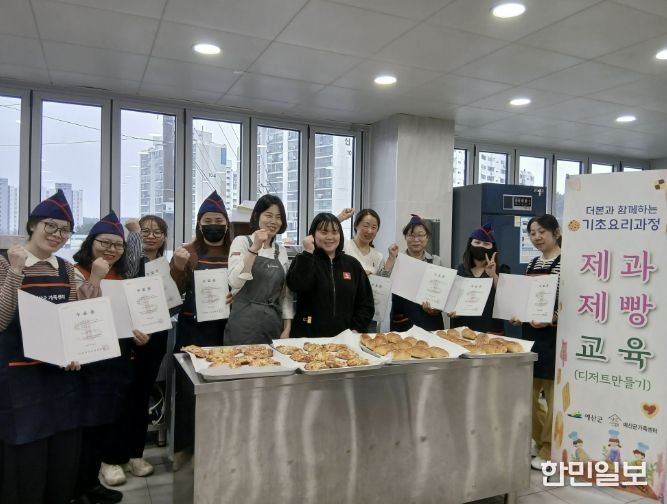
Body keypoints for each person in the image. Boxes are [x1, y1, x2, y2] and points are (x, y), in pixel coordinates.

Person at [0, 190, 82, 504]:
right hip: (20, 378)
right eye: (51, 226)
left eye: (65, 230)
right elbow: (1, 320)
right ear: (33, 225)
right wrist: (16, 269)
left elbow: (71, 319)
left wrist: (75, 351)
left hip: (60, 378)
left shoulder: (66, 269)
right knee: (25, 463)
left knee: (61, 459)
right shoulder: (5, 261)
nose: (57, 235)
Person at [73, 210, 147, 503]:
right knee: (87, 426)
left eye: (118, 245)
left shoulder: (122, 275)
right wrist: (96, 276)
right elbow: (78, 314)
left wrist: (137, 331)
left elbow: (127, 315)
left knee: (106, 421)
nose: (112, 249)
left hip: (118, 357)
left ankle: (91, 482)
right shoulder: (75, 271)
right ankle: (79, 488)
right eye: (105, 243)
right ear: (90, 242)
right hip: (88, 361)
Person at [511, 214, 561, 470]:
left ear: (556, 232)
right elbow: (527, 298)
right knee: (528, 394)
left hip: (553, 338)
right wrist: (519, 314)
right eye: (532, 233)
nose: (537, 237)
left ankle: (549, 448)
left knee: (552, 399)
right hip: (531, 337)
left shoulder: (566, 263)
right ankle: (538, 439)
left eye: (542, 231)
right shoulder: (532, 263)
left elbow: (572, 302)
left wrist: (552, 318)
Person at [286, 213, 374, 338]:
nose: (329, 237)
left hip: (344, 340)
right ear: (313, 234)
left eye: (334, 232)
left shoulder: (352, 264)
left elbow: (366, 303)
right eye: (324, 232)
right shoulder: (304, 259)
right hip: (307, 338)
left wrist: (355, 329)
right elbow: (297, 286)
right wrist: (308, 253)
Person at [225, 195, 293, 344]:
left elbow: (285, 295)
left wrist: (287, 327)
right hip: (243, 323)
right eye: (268, 215)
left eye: (278, 217)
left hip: (273, 324)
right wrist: (255, 247)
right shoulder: (242, 242)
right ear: (256, 216)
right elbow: (235, 282)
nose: (273, 221)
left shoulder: (281, 251)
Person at [171, 190, 231, 348]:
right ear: (199, 224)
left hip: (226, 325)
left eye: (219, 220)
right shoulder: (186, 252)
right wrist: (178, 266)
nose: (213, 224)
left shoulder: (236, 252)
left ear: (226, 225)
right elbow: (173, 293)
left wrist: (236, 297)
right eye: (208, 221)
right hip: (192, 327)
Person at [449, 224, 510, 334]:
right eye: (477, 243)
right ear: (470, 245)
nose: (481, 246)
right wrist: (451, 310)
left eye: (486, 244)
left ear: (493, 248)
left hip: (491, 332)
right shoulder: (459, 270)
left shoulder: (502, 270)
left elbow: (506, 299)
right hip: (462, 332)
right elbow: (451, 301)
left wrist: (493, 275)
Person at [390, 214, 444, 332]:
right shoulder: (396, 259)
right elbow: (383, 283)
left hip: (430, 320)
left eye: (420, 235)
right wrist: (390, 259)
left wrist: (436, 308)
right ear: (405, 237)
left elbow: (443, 292)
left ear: (427, 237)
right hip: (403, 321)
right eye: (411, 235)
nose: (416, 240)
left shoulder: (436, 261)